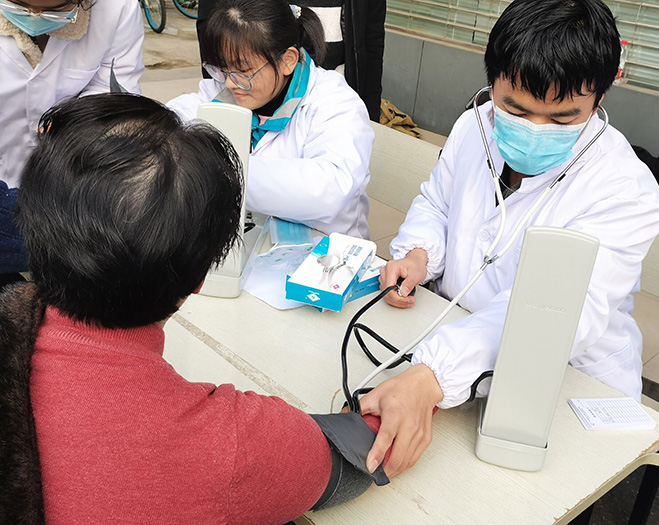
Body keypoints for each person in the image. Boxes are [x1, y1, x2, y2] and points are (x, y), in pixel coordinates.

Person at [0, 93, 387, 524]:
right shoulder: (232, 446)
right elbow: (347, 459)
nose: (233, 82)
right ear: (201, 276)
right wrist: (394, 405)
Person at [359, 0, 659, 478]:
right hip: (456, 332)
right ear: (493, 80)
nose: (534, 130)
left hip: (568, 379)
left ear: (599, 99)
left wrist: (433, 374)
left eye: (562, 119)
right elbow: (438, 203)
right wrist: (420, 253)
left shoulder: (626, 192)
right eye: (515, 109)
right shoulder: (474, 127)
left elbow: (550, 313)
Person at [169, 0, 373, 239]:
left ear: (288, 60)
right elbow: (177, 118)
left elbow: (330, 189)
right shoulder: (224, 88)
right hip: (251, 241)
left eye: (243, 71)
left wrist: (218, 171)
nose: (230, 83)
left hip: (323, 249)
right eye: (222, 68)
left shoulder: (335, 102)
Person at [0, 0, 143, 281]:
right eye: (22, 6)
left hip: (70, 193)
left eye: (56, 9)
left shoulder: (116, 8)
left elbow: (111, 99)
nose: (36, 17)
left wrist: (81, 127)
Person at [198, 0, 386, 122]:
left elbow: (371, 41)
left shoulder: (338, 105)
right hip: (253, 100)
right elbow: (212, 27)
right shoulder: (217, 90)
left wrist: (370, 117)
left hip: (330, 103)